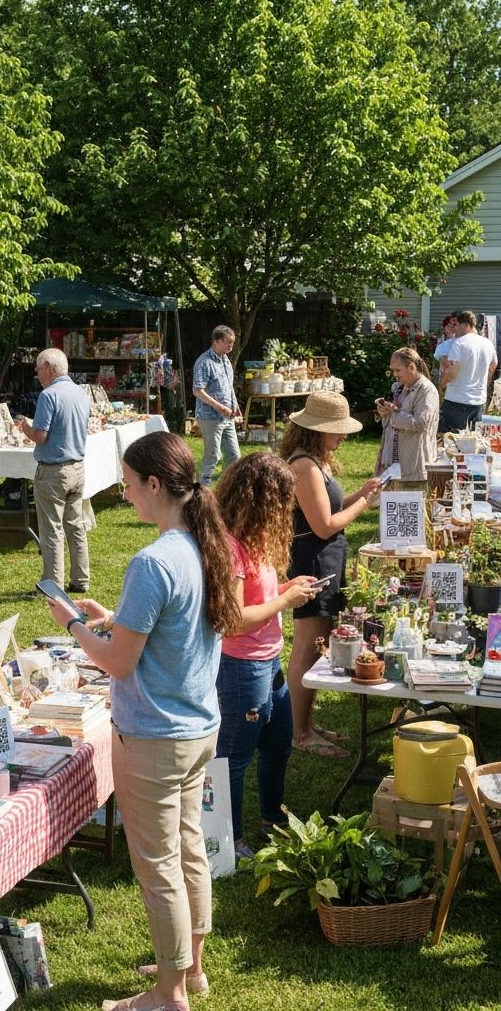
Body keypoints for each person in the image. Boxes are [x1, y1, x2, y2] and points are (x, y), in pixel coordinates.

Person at [46, 432, 240, 1011]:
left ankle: (169, 993)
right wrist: (113, 615)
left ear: (156, 485)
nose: (126, 497)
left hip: (156, 736)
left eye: (129, 487)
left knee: (158, 869)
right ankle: (191, 969)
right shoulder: (206, 545)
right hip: (198, 728)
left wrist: (73, 624)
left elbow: (118, 662)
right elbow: (171, 631)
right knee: (187, 853)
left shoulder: (154, 560)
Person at [212, 453, 320, 860]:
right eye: (282, 502)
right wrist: (285, 601)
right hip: (242, 665)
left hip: (267, 661)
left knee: (278, 745)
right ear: (262, 500)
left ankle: (271, 818)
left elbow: (258, 599)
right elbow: (233, 621)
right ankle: (229, 840)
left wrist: (286, 588)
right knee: (235, 756)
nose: (288, 510)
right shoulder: (230, 548)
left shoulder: (251, 539)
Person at [280, 393, 381, 758]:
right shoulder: (304, 466)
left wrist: (360, 493)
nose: (343, 437)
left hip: (325, 558)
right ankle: (298, 732)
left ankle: (307, 722)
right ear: (317, 431)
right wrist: (364, 505)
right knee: (307, 647)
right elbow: (324, 526)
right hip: (314, 560)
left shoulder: (315, 463)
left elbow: (328, 508)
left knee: (319, 644)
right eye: (337, 431)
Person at [16, 347, 91, 592]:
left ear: (48, 367)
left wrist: (24, 427)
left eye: (38, 370)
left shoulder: (49, 395)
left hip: (53, 472)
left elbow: (40, 435)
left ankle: (52, 584)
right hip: (77, 468)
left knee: (51, 530)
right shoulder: (80, 392)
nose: (37, 375)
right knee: (75, 526)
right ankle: (80, 580)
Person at [374, 347, 439, 490]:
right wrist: (385, 412)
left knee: (412, 509)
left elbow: (420, 423)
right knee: (392, 508)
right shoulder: (402, 387)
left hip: (413, 465)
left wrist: (393, 413)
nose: (394, 375)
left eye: (397, 370)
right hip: (396, 463)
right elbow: (395, 419)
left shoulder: (426, 390)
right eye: (392, 370)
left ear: (411, 367)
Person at [192, 325, 241, 486]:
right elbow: (198, 391)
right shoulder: (204, 362)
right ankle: (202, 491)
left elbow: (228, 385)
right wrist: (219, 407)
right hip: (210, 417)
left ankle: (225, 489)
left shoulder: (225, 360)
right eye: (228, 342)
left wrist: (235, 405)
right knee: (213, 455)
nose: (231, 346)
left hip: (227, 417)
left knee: (234, 455)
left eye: (232, 343)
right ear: (216, 341)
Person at [439, 309, 498, 432]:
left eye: (457, 325)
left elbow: (452, 370)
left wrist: (443, 384)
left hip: (457, 399)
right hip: (479, 400)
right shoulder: (487, 343)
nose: (456, 329)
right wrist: (485, 384)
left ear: (465, 325)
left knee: (451, 442)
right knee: (473, 441)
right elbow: (493, 365)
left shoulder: (459, 343)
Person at [434, 312, 459, 379]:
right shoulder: (442, 339)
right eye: (446, 327)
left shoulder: (456, 338)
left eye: (449, 326)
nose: (447, 328)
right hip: (444, 368)